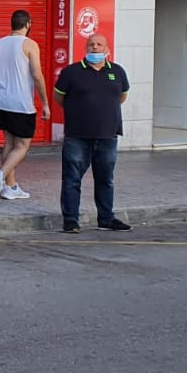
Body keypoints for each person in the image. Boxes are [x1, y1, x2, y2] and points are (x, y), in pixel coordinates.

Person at [53, 34, 132, 234]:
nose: (95, 48)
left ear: (106, 48)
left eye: (99, 44)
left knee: (105, 180)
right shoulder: (71, 72)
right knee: (72, 179)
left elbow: (121, 96)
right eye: (91, 44)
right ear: (85, 48)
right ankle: (71, 220)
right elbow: (59, 97)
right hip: (77, 136)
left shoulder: (117, 71)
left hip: (108, 136)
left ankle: (106, 219)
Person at [0, 10, 50, 202]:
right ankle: (0, 174)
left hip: (1, 101)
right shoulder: (29, 44)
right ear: (28, 24)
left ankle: (10, 187)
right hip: (21, 103)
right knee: (22, 146)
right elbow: (37, 75)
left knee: (9, 143)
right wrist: (45, 103)